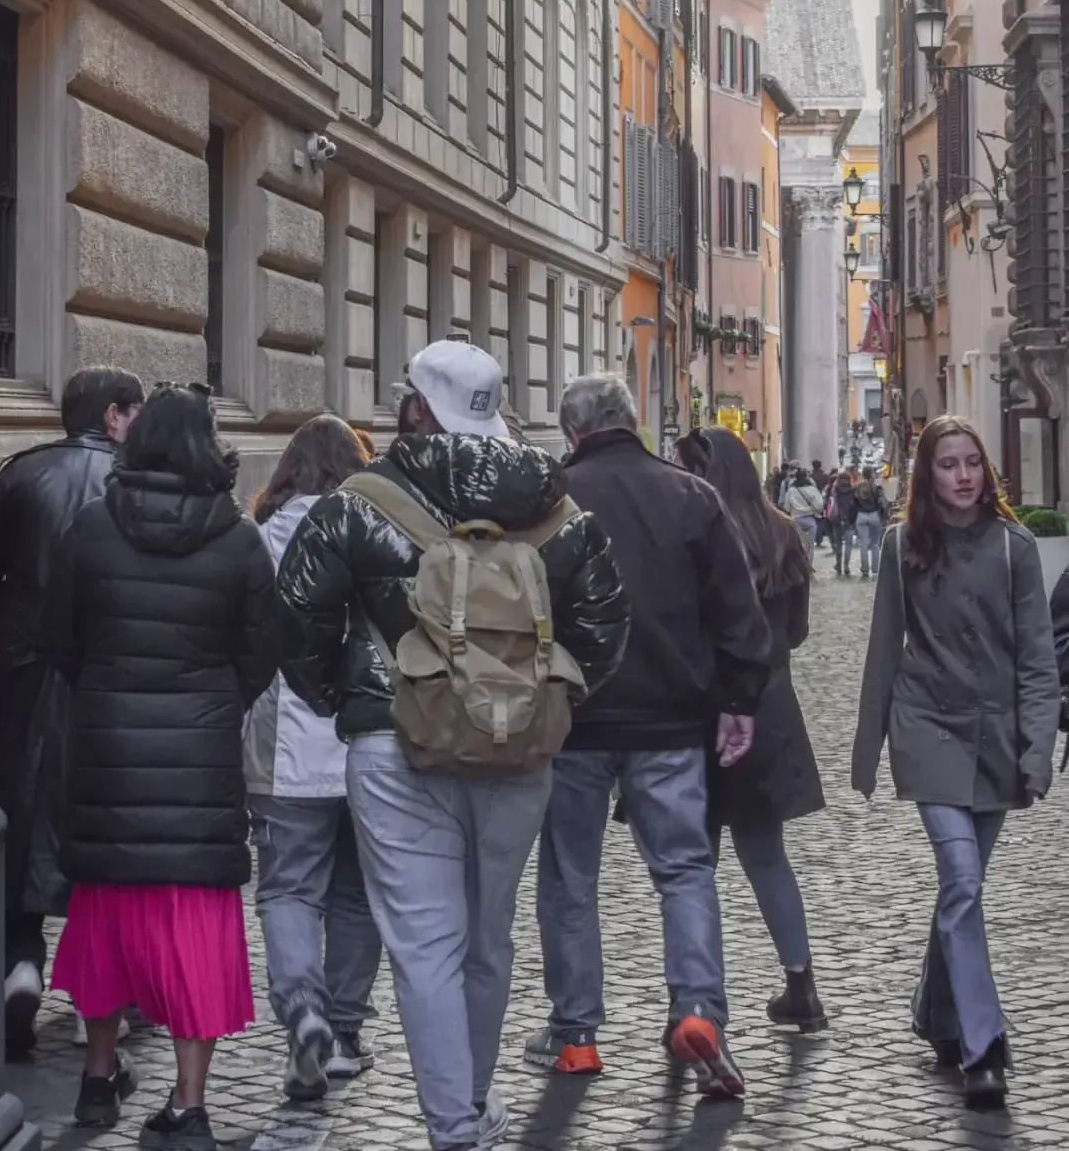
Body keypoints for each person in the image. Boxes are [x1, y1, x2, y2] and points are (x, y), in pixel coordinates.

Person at [275, 341, 628, 1151]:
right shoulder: (555, 510)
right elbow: (604, 625)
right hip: (521, 751)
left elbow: (295, 614)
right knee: (487, 936)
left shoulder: (359, 502)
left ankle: (453, 1126)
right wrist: (547, 700)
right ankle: (469, 1098)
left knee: (423, 941)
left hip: (393, 743)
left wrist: (343, 699)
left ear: (414, 408)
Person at [44, 384, 277, 1148]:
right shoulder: (239, 539)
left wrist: (106, 689)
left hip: (109, 751)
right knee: (194, 929)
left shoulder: (89, 528)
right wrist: (215, 698)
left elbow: (60, 642)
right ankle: (188, 1105)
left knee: (105, 916)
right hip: (199, 754)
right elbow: (260, 653)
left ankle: (97, 1078)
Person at [525, 377, 771, 1100]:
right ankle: (698, 1011)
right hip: (670, 717)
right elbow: (736, 609)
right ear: (634, 420)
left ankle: (575, 1036)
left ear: (571, 433)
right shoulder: (690, 495)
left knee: (570, 878)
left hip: (573, 719)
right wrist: (738, 699)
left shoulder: (551, 498)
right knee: (684, 872)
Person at [852, 417, 1059, 1110]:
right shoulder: (900, 547)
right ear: (926, 474)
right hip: (926, 730)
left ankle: (930, 1008)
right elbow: (883, 650)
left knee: (957, 895)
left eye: (972, 462)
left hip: (995, 740)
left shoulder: (1015, 548)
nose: (964, 476)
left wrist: (1038, 748)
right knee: (962, 881)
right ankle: (982, 1045)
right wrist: (866, 750)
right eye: (948, 464)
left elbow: (1036, 659)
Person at [0, 365, 144, 1056]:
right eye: (135, 413)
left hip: (15, 675)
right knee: (100, 828)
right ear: (112, 416)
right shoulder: (134, 484)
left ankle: (22, 963)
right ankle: (96, 998)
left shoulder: (18, 476)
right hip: (102, 676)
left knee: (16, 819)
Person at [245, 417, 382, 1103]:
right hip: (367, 743)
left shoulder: (262, 537)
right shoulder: (376, 532)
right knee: (358, 893)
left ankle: (303, 1011)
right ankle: (346, 1033)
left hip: (287, 751)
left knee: (289, 888)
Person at [676, 429, 826, 1033]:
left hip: (702, 712)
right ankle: (801, 985)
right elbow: (795, 633)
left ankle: (694, 999)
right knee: (766, 857)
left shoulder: (697, 535)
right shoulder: (783, 533)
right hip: (770, 711)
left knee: (694, 864)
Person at [852, 469, 888, 579]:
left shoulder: (857, 488)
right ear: (872, 474)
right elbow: (883, 503)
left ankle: (864, 569)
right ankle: (876, 568)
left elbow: (853, 504)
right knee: (875, 544)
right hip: (874, 515)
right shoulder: (876, 488)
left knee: (863, 543)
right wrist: (883, 515)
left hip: (861, 515)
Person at [782, 469, 824, 552]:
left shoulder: (791, 490)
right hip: (809, 520)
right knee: (810, 545)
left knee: (796, 545)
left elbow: (786, 507)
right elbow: (819, 505)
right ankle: (809, 562)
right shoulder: (812, 489)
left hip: (795, 519)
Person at [828, 467, 857, 578]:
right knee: (848, 544)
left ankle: (839, 565)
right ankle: (846, 566)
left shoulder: (834, 490)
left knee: (839, 543)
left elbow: (830, 503)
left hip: (837, 519)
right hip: (849, 520)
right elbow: (855, 505)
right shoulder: (853, 489)